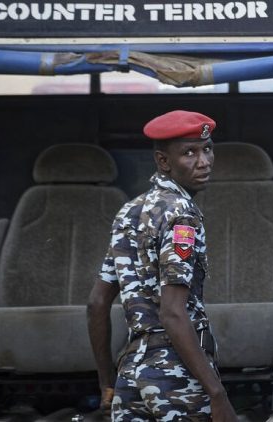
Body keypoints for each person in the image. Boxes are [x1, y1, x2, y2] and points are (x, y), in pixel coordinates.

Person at [86, 110, 237, 421]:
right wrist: (217, 393)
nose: (204, 161)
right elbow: (172, 311)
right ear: (163, 161)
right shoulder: (182, 214)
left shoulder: (129, 211)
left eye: (207, 148)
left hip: (131, 374)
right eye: (189, 153)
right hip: (177, 375)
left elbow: (97, 303)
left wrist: (106, 383)